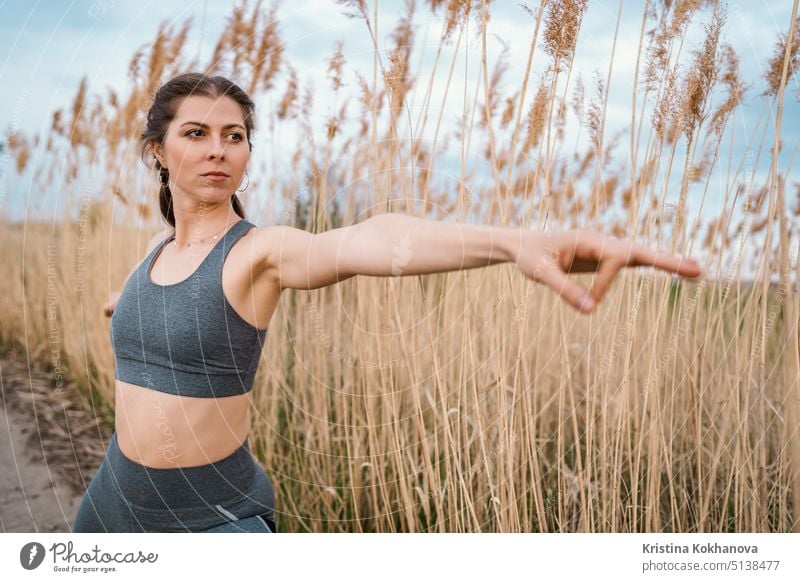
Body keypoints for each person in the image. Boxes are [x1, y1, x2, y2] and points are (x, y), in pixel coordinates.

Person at [72, 72, 703, 534]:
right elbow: (148, 310)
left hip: (207, 524)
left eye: (233, 136)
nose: (217, 149)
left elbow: (374, 239)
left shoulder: (258, 253)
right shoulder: (154, 256)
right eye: (196, 133)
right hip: (110, 504)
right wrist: (124, 307)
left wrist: (512, 242)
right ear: (158, 151)